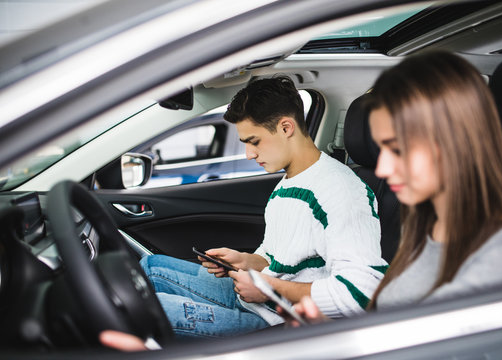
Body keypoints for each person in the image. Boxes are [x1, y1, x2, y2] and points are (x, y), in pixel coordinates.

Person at [112, 76, 386, 345]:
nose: (248, 154)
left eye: (254, 141)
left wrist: (268, 288)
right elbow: (280, 259)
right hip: (261, 299)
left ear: (286, 127)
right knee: (150, 267)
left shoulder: (342, 191)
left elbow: (360, 293)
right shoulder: (290, 182)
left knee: (136, 311)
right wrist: (246, 261)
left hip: (281, 323)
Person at [287, 51, 502, 325]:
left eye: (397, 149)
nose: (382, 168)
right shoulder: (424, 223)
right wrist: (325, 329)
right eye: (380, 148)